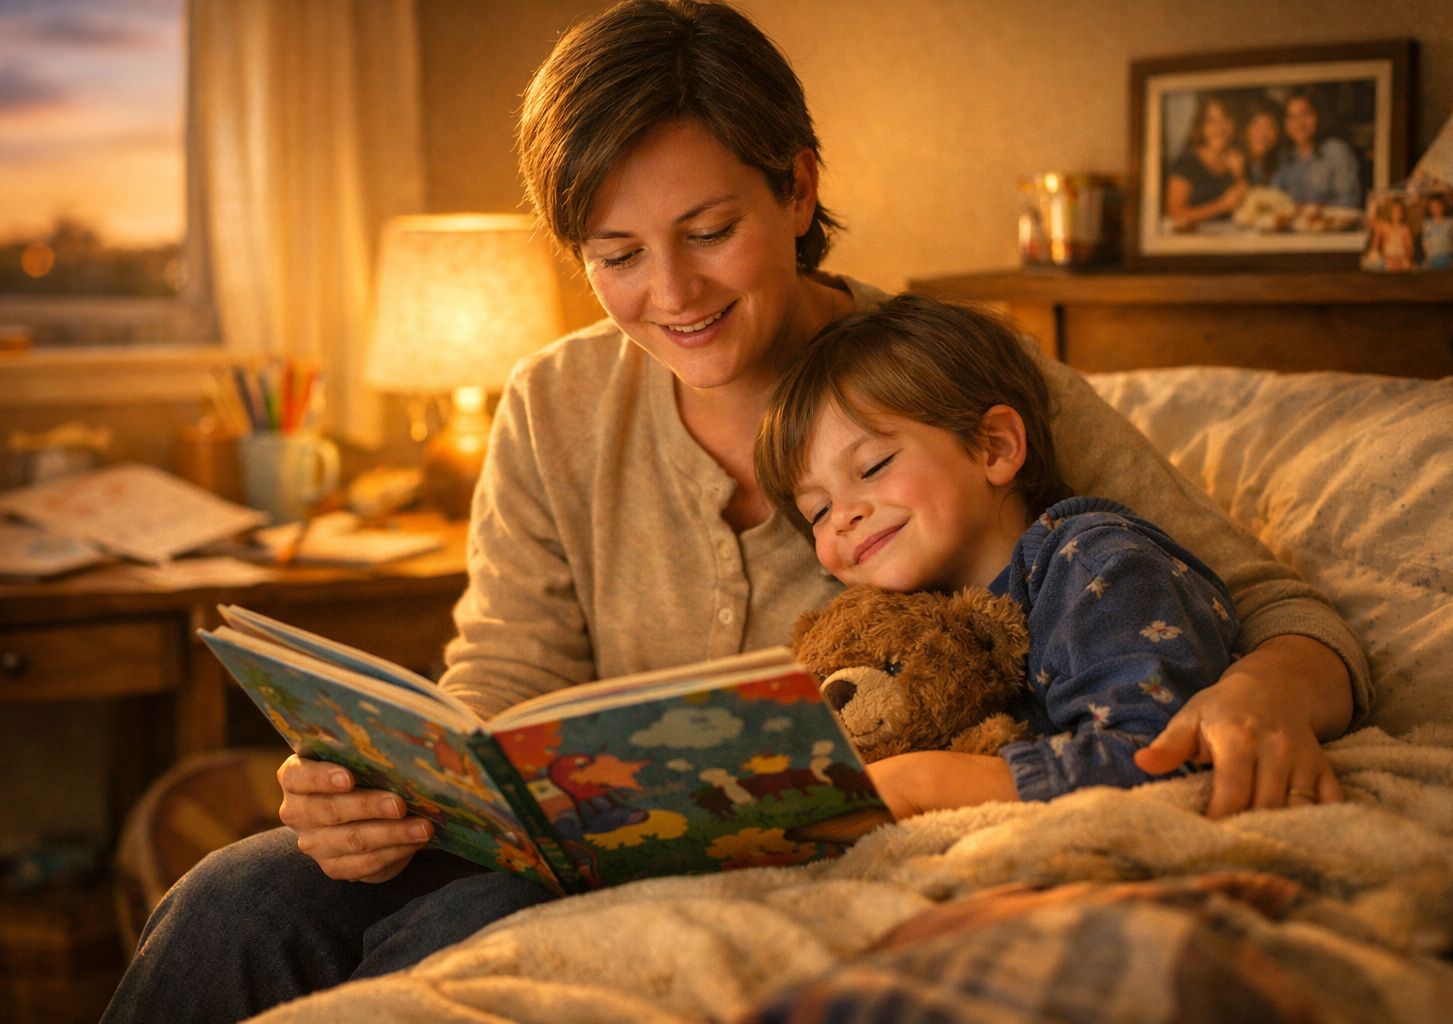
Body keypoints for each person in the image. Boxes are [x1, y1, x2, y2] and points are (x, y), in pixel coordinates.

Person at [104, 2, 1366, 1020]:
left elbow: (1271, 602)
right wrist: (380, 790)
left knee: (441, 948)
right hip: (570, 835)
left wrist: (1267, 688)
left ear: (798, 188)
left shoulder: (952, 378)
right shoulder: (553, 405)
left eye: (709, 230)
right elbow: (500, 677)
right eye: (616, 254)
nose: (672, 294)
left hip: (797, 868)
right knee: (236, 900)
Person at [755, 295, 1244, 805]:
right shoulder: (913, 635)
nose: (842, 517)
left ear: (995, 446)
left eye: (875, 465)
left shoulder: (1096, 564)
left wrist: (923, 781)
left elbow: (1163, 758)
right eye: (816, 510)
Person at [1164, 92, 1248, 229]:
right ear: (1201, 126)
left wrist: (1240, 175)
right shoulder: (1186, 162)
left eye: (1226, 119)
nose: (1220, 128)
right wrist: (1222, 205)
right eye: (1212, 121)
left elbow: (1248, 208)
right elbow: (1175, 214)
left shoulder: (1236, 158)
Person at [1271, 88, 1362, 209]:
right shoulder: (1284, 158)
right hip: (1293, 226)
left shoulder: (1337, 152)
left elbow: (1350, 200)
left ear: (1318, 116)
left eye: (1305, 114)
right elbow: (1274, 199)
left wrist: (1314, 210)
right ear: (1285, 123)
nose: (1299, 123)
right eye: (1292, 117)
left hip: (1331, 226)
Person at [1241, 96, 1283, 187]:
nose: (1262, 134)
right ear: (1245, 129)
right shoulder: (1234, 162)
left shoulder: (1284, 165)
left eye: (1269, 126)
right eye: (1257, 125)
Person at [1420, 195, 1453, 269]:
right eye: (1433, 207)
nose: (1436, 209)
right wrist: (1429, 257)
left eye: (1438, 206)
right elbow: (1426, 242)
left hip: (1448, 256)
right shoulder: (1427, 224)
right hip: (1433, 258)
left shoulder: (1450, 222)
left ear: (1443, 207)